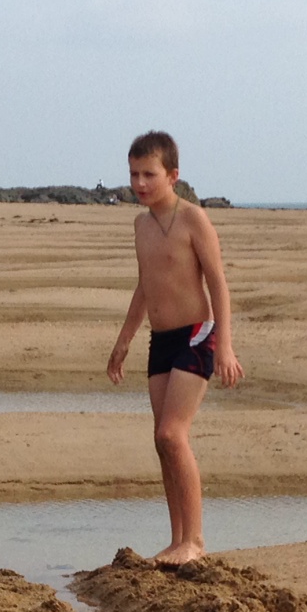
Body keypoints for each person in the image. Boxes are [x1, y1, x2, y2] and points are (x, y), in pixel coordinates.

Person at [105, 131, 243, 566]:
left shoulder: (193, 219)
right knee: (161, 441)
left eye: (149, 174)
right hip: (161, 339)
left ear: (173, 175)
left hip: (197, 334)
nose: (140, 183)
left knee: (172, 434)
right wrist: (123, 341)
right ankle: (177, 538)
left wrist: (224, 346)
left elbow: (218, 283)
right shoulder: (141, 225)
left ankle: (195, 541)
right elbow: (145, 285)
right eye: (134, 174)